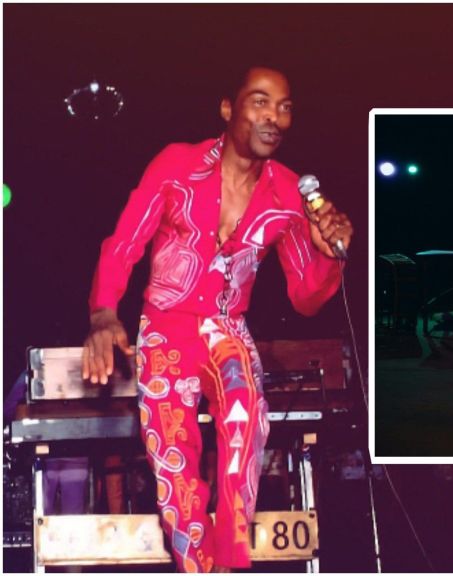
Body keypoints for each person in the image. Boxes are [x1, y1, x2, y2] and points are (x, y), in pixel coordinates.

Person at [81, 66, 353, 572]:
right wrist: (103, 312)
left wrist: (327, 255)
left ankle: (230, 561)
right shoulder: (176, 165)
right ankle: (200, 567)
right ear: (228, 109)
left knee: (247, 413)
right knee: (173, 460)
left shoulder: (291, 196)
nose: (275, 117)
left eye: (285, 106)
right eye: (260, 102)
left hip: (228, 327)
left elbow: (306, 299)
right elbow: (122, 246)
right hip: (165, 326)